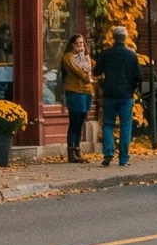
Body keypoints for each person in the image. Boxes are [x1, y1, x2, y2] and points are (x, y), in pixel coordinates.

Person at [94, 26, 139, 167]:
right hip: (126, 95)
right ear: (125, 38)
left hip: (109, 93)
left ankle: (108, 152)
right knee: (126, 126)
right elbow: (139, 76)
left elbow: (96, 72)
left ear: (113, 37)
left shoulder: (106, 54)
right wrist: (132, 88)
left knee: (108, 124)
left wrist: (103, 83)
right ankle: (124, 159)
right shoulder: (131, 55)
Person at [59, 34, 95, 163]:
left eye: (82, 43)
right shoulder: (68, 57)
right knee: (74, 122)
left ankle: (78, 150)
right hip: (74, 91)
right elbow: (78, 72)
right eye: (77, 43)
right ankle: (71, 151)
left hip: (86, 92)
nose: (80, 45)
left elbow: (94, 67)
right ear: (72, 44)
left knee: (81, 122)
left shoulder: (86, 57)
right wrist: (87, 77)